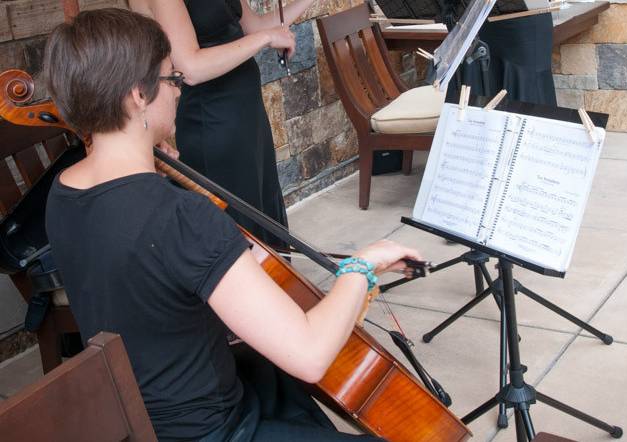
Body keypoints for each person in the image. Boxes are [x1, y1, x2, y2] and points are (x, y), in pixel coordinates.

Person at [43, 8, 422, 442]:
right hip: (215, 430)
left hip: (144, 416)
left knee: (279, 383)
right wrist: (363, 265)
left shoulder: (63, 192)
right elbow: (311, 355)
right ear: (137, 95)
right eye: (172, 80)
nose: (179, 92)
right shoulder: (179, 216)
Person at [127, 0, 315, 245]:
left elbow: (255, 26)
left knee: (264, 212)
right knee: (238, 227)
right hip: (213, 119)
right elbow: (190, 67)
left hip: (247, 113)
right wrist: (267, 38)